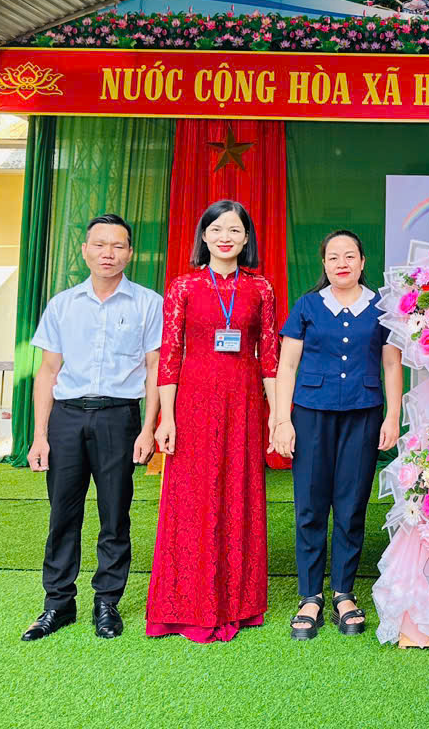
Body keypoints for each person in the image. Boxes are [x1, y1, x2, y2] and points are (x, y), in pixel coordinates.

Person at [22, 213, 162, 642]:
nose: (108, 253)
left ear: (130, 253)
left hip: (120, 417)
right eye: (99, 245)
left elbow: (156, 369)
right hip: (66, 417)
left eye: (117, 246)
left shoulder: (148, 303)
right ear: (85, 250)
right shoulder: (63, 304)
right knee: (63, 513)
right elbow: (48, 371)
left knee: (115, 513)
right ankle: (58, 603)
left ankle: (107, 602)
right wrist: (40, 435)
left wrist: (148, 428)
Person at [146, 199, 279, 643]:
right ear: (204, 236)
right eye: (217, 229)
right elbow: (170, 355)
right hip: (193, 403)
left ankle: (237, 603)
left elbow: (270, 357)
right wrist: (166, 417)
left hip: (243, 403)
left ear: (246, 239)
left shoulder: (260, 288)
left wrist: (276, 416)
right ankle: (184, 604)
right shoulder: (183, 286)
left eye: (235, 230)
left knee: (239, 493)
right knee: (190, 498)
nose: (226, 237)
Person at [271, 230, 403, 639]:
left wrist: (393, 417)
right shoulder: (308, 305)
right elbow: (286, 367)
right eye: (333, 257)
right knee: (310, 506)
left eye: (349, 256)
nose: (341, 263)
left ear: (363, 262)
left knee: (351, 506)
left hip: (363, 416)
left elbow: (392, 365)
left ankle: (344, 593)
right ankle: (310, 596)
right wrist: (281, 420)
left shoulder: (381, 308)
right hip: (311, 416)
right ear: (324, 264)